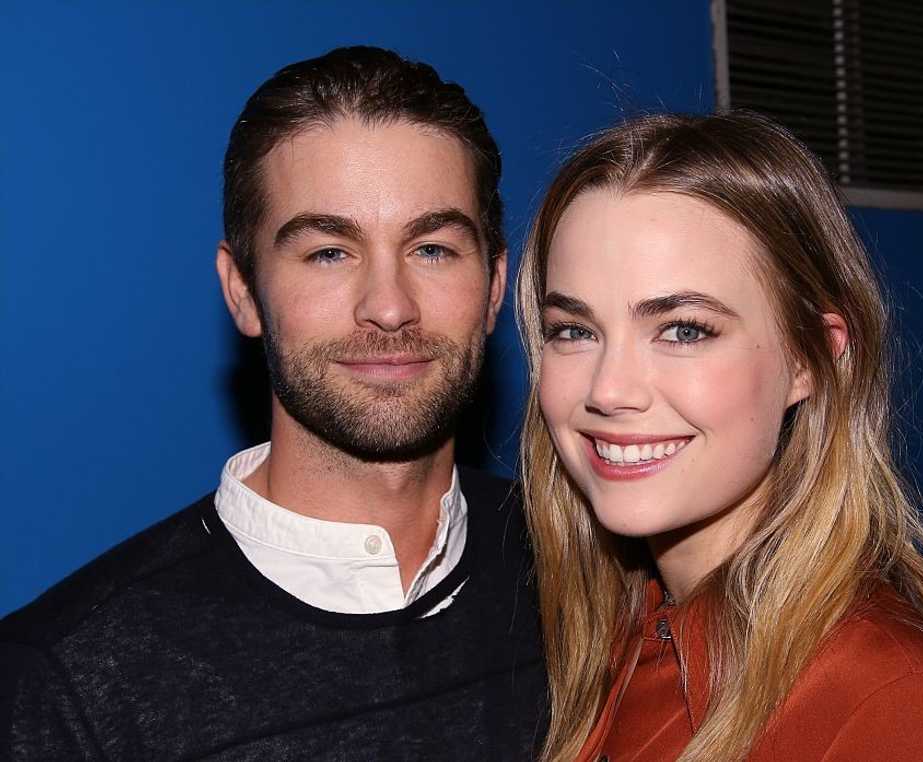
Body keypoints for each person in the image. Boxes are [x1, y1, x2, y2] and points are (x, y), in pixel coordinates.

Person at [0, 46, 545, 760]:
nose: (388, 306)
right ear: (243, 291)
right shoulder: (62, 683)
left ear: (496, 284)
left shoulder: (588, 577)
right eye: (328, 252)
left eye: (434, 249)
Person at [516, 112, 923, 761]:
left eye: (684, 329)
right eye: (574, 331)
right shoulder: (611, 642)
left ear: (812, 359)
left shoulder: (890, 702)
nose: (609, 389)